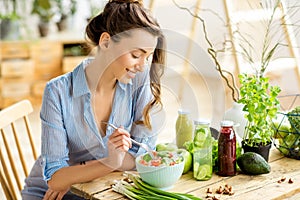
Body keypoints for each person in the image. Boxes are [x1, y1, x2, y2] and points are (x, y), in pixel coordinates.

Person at [21, 0, 166, 199]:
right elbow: (55, 178)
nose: (142, 66)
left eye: (147, 57)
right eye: (135, 55)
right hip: (50, 195)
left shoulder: (139, 81)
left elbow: (143, 156)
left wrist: (76, 173)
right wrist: (111, 162)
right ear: (106, 42)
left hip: (99, 190)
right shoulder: (58, 92)